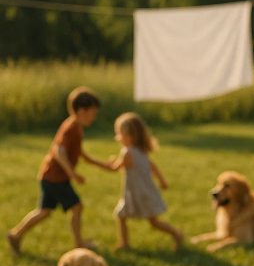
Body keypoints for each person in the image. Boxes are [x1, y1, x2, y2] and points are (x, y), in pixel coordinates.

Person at [7, 87, 110, 255]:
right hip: (56, 178)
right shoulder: (71, 127)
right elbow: (59, 151)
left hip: (49, 176)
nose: (94, 117)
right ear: (82, 111)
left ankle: (15, 234)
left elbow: (79, 153)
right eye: (93, 113)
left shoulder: (76, 127)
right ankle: (79, 245)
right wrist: (72, 174)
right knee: (77, 207)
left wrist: (102, 164)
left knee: (44, 211)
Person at [107, 112, 183, 251]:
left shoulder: (127, 152)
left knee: (141, 220)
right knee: (129, 217)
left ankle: (176, 233)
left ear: (130, 136)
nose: (117, 138)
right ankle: (125, 243)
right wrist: (162, 181)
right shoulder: (141, 151)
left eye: (119, 134)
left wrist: (106, 162)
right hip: (145, 192)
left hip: (136, 193)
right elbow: (152, 166)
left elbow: (115, 168)